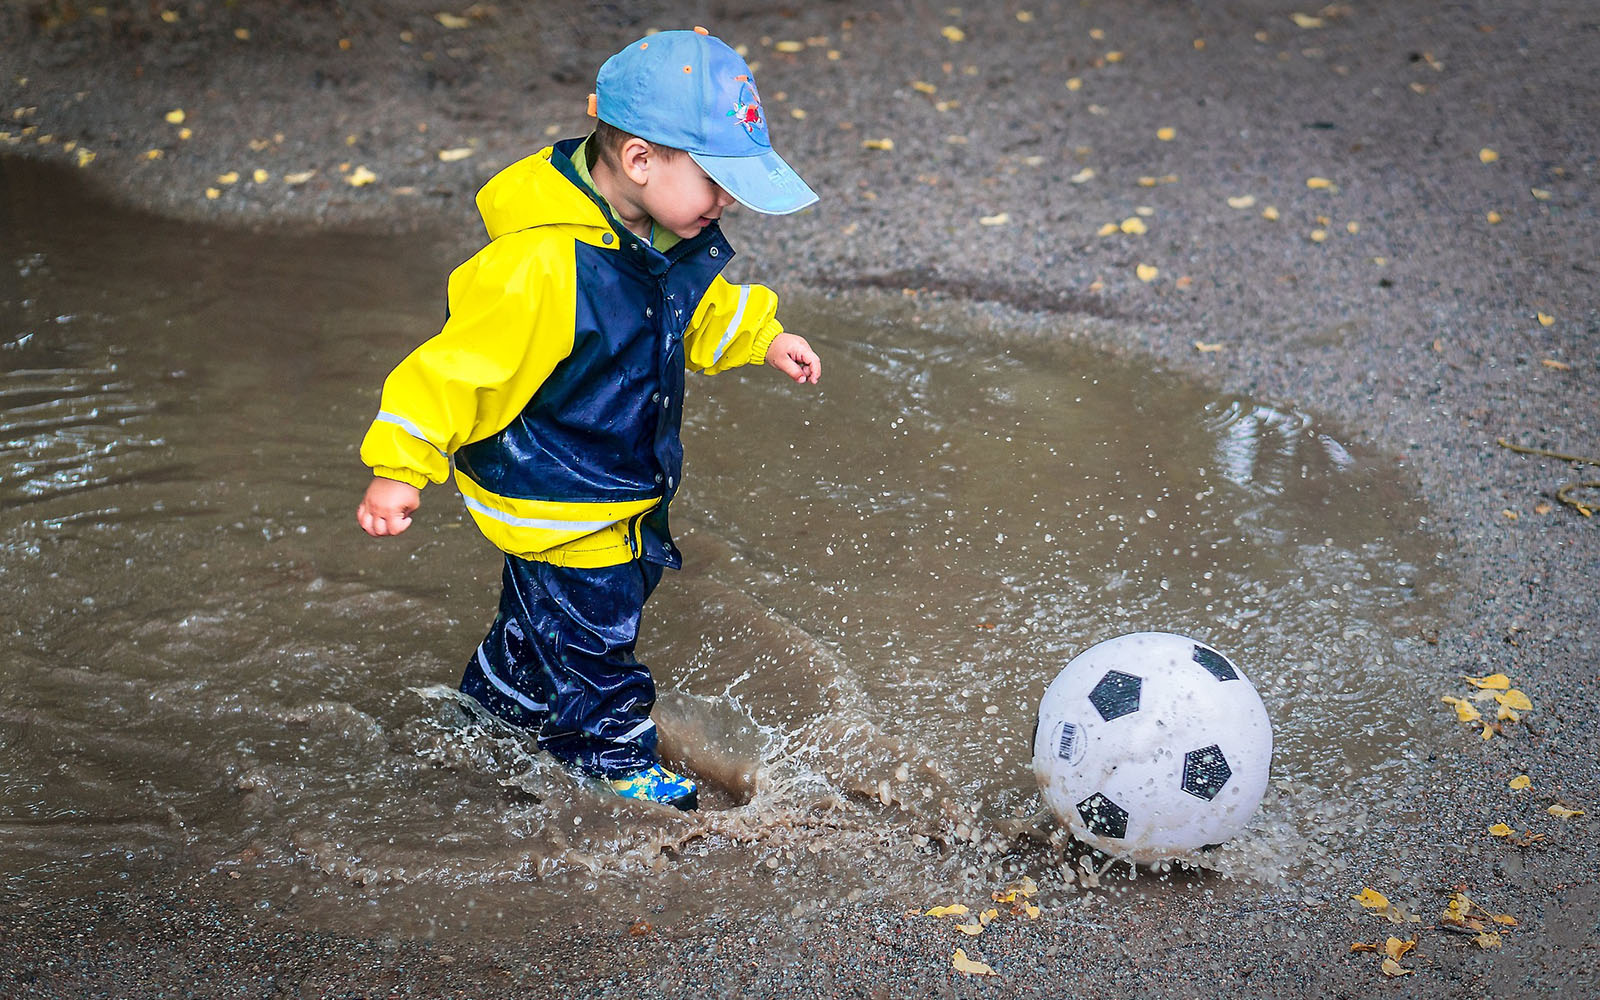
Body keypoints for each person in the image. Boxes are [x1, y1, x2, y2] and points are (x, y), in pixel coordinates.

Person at [354, 27, 820, 811]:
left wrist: (764, 338)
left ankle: (490, 712)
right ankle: (608, 760)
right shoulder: (540, 265)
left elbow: (688, 314)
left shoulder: (654, 235)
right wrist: (399, 469)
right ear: (640, 160)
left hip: (589, 482)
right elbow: (455, 368)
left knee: (538, 620)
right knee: (601, 641)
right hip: (566, 493)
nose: (728, 201)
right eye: (716, 180)